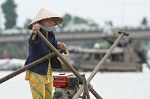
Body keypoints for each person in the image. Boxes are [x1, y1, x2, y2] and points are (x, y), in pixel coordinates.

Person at [24, 8, 67, 99]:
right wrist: (35, 32)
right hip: (37, 71)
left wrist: (61, 48)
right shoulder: (37, 33)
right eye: (47, 20)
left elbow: (54, 49)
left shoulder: (51, 34)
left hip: (47, 71)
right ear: (40, 22)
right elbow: (32, 41)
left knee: (49, 97)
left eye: (52, 20)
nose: (51, 22)